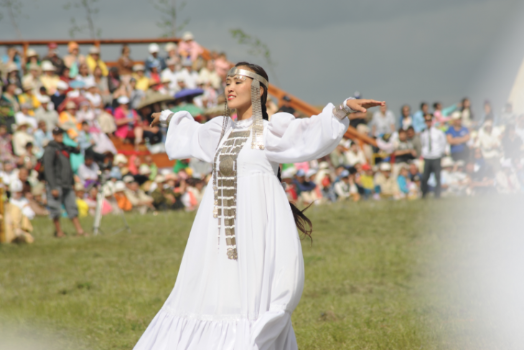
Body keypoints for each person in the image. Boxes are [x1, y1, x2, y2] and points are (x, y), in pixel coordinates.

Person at [139, 61, 384, 349]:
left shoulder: (271, 130)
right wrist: (168, 116)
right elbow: (192, 131)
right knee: (209, 293)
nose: (229, 86)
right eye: (227, 81)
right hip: (215, 232)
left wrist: (342, 108)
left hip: (256, 228)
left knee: (252, 297)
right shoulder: (220, 130)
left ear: (259, 90)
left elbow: (307, 131)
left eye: (238, 81)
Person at [43, 127, 86, 237]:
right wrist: (52, 187)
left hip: (67, 183)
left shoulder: (64, 147)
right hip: (56, 184)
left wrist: (74, 138)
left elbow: (76, 150)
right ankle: (59, 232)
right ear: (53, 135)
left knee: (72, 207)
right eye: (57, 134)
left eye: (61, 133)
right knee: (55, 209)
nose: (60, 135)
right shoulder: (50, 149)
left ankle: (79, 230)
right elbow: (48, 169)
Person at [420, 114, 447, 198]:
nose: (428, 122)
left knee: (437, 177)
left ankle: (437, 195)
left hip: (436, 156)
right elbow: (423, 144)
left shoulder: (438, 132)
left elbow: (443, 143)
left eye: (429, 120)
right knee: (425, 177)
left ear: (432, 121)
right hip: (427, 157)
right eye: (426, 121)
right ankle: (424, 194)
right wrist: (424, 153)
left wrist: (440, 153)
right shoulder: (423, 133)